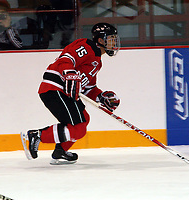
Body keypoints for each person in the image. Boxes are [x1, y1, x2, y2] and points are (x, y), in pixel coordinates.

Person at [25, 22, 121, 164]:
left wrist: (102, 96)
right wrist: (69, 73)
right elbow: (66, 59)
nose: (114, 43)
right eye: (111, 39)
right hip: (56, 88)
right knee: (78, 129)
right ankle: (37, 135)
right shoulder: (87, 46)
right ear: (101, 40)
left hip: (67, 92)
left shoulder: (97, 62)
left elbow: (88, 88)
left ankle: (60, 152)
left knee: (84, 119)